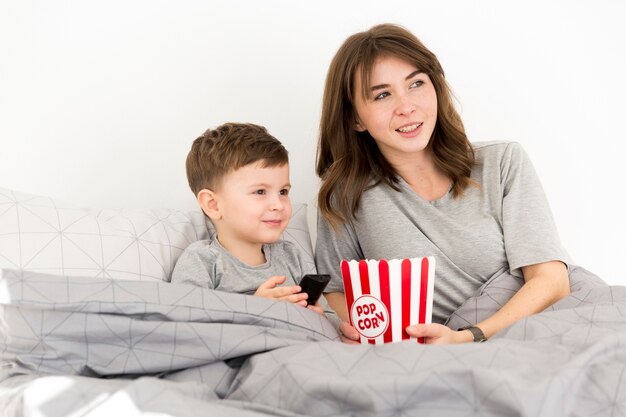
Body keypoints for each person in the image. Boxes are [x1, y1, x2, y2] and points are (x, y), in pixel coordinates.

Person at [314, 23, 571, 344]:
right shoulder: (344, 196)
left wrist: (469, 337)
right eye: (382, 94)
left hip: (541, 327)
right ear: (355, 118)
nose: (406, 106)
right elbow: (338, 292)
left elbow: (552, 281)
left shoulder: (502, 162)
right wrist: (359, 330)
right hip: (431, 351)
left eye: (416, 84)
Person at [171, 122, 325, 315]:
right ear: (213, 205)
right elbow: (185, 323)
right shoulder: (202, 261)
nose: (278, 204)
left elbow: (329, 316)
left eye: (283, 191)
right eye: (260, 191)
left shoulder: (291, 256)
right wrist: (255, 308)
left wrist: (321, 319)